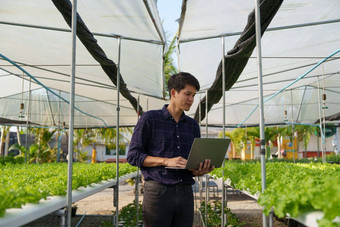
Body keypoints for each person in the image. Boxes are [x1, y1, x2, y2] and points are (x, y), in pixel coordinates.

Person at [127, 72, 214, 227]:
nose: (191, 100)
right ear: (173, 93)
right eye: (187, 94)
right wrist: (166, 161)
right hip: (158, 192)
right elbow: (133, 156)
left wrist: (199, 169)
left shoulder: (192, 125)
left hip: (186, 192)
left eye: (193, 95)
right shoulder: (149, 119)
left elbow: (189, 164)